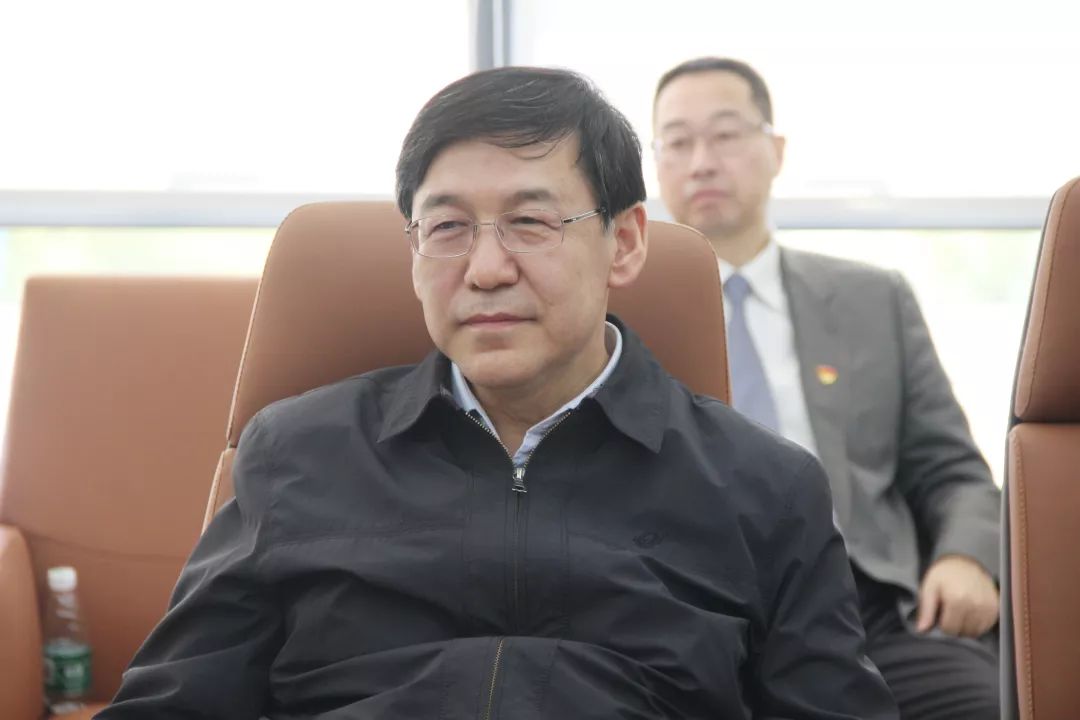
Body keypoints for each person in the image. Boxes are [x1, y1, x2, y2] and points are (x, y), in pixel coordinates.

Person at [97, 66, 897, 719]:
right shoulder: (297, 454)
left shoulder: (766, 488)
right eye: (447, 228)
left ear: (623, 243)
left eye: (530, 223)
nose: (484, 270)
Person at [652, 57, 1002, 720]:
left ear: (776, 150)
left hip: (868, 606)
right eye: (677, 141)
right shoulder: (622, 314)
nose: (701, 162)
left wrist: (966, 557)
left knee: (980, 703)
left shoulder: (873, 298)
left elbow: (952, 468)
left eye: (725, 135)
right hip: (693, 613)